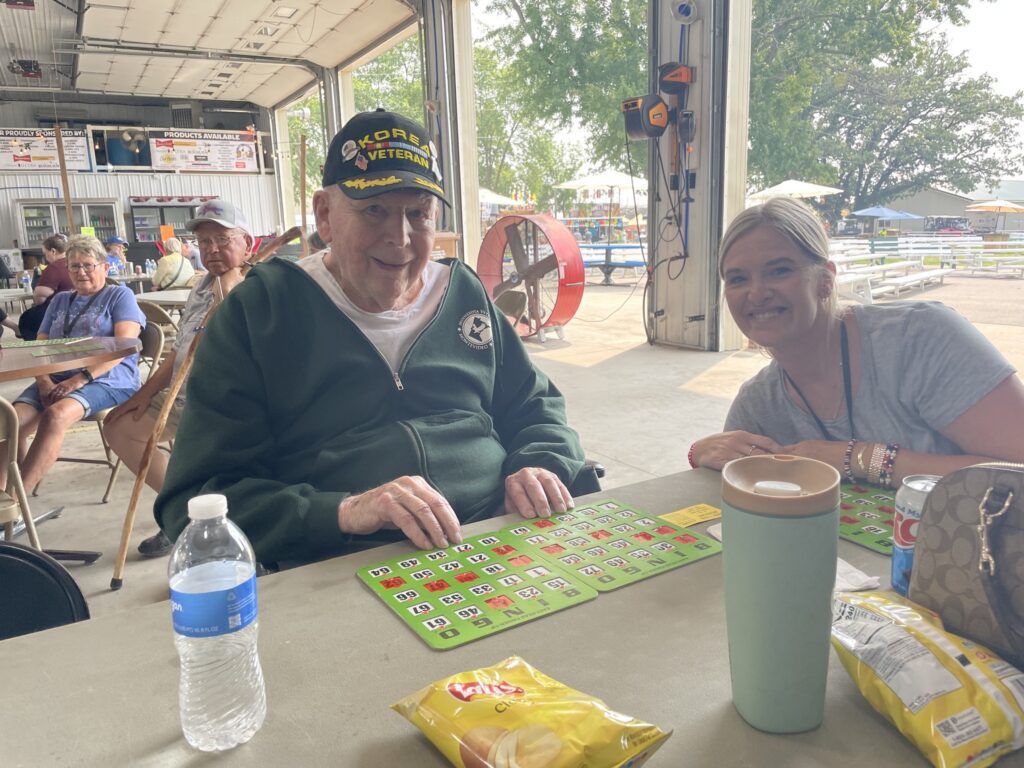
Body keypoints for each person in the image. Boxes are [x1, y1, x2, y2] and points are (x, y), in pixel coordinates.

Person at [155, 109, 592, 567]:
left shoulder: (464, 295)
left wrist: (540, 462)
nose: (399, 238)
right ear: (324, 215)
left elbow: (537, 406)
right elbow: (195, 503)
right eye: (374, 211)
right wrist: (341, 512)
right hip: (341, 559)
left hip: (498, 535)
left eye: (417, 214)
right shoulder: (259, 313)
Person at [688, 197, 1024, 488]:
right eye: (738, 279)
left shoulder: (919, 337)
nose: (757, 293)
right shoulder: (759, 402)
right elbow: (734, 490)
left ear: (824, 281)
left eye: (779, 271)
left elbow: (1017, 470)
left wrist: (861, 458)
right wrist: (703, 451)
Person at [105, 201, 250, 557]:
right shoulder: (201, 286)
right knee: (120, 424)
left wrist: (227, 284)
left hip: (226, 405)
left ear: (246, 241)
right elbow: (181, 349)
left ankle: (213, 525)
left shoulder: (257, 284)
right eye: (203, 242)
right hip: (183, 395)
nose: (212, 249)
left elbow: (244, 342)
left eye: (222, 238)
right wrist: (145, 393)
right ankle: (186, 515)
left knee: (208, 463)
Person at [12, 235, 145, 492]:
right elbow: (41, 346)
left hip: (109, 378)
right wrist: (43, 380)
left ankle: (17, 503)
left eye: (88, 265)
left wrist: (80, 379)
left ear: (105, 267)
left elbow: (123, 347)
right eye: (74, 266)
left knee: (55, 415)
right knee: (10, 422)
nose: (81, 272)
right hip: (56, 378)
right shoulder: (61, 300)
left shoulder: (120, 296)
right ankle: (4, 496)